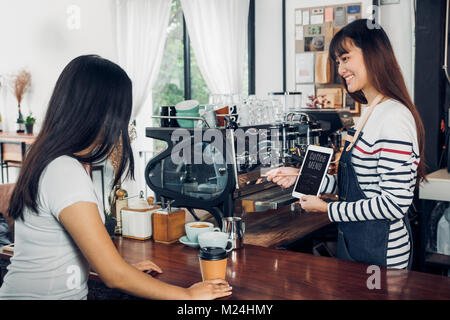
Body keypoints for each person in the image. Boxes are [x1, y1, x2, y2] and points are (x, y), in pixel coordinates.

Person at [0, 55, 232, 300]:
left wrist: (119, 268)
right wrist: (188, 295)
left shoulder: (49, 158)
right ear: (102, 113)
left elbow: (56, 251)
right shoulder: (64, 170)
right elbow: (113, 276)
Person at [266, 19, 426, 270]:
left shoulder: (394, 116)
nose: (340, 69)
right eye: (338, 61)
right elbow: (357, 186)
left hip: (383, 257)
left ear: (373, 54)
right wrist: (301, 176)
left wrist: (329, 209)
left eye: (346, 58)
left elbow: (394, 204)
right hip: (356, 246)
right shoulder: (370, 112)